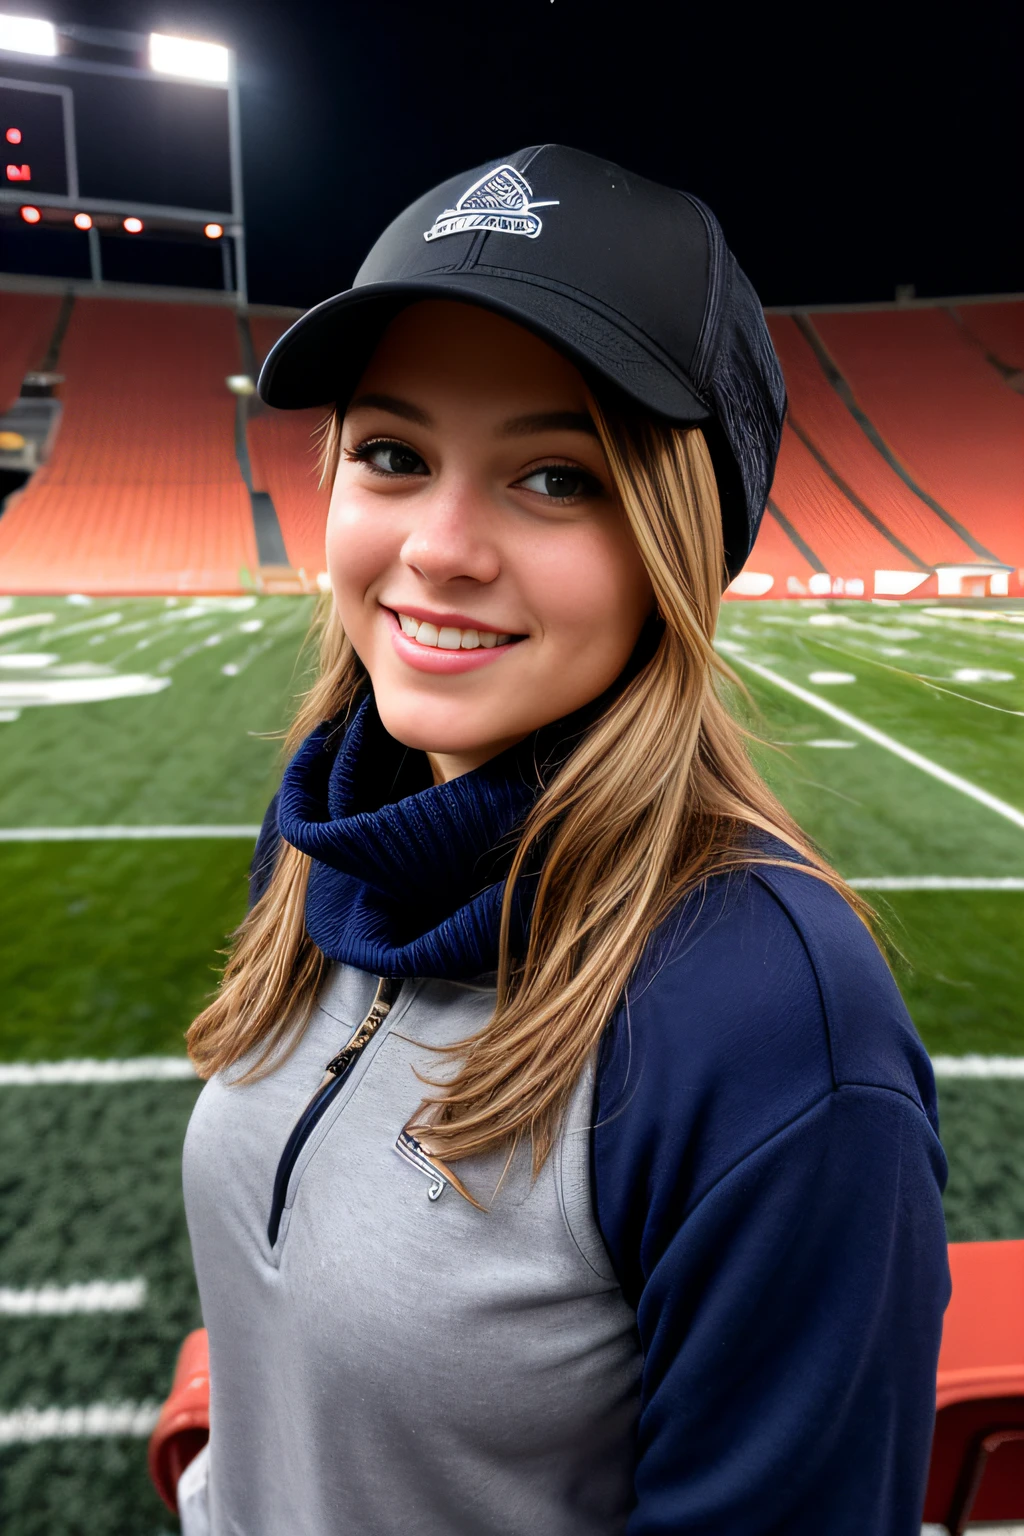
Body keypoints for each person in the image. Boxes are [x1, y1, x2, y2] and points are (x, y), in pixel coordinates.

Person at [180, 145, 949, 1535]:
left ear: (679, 538)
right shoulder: (322, 833)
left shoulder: (768, 1015)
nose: (442, 546)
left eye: (555, 479)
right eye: (394, 456)